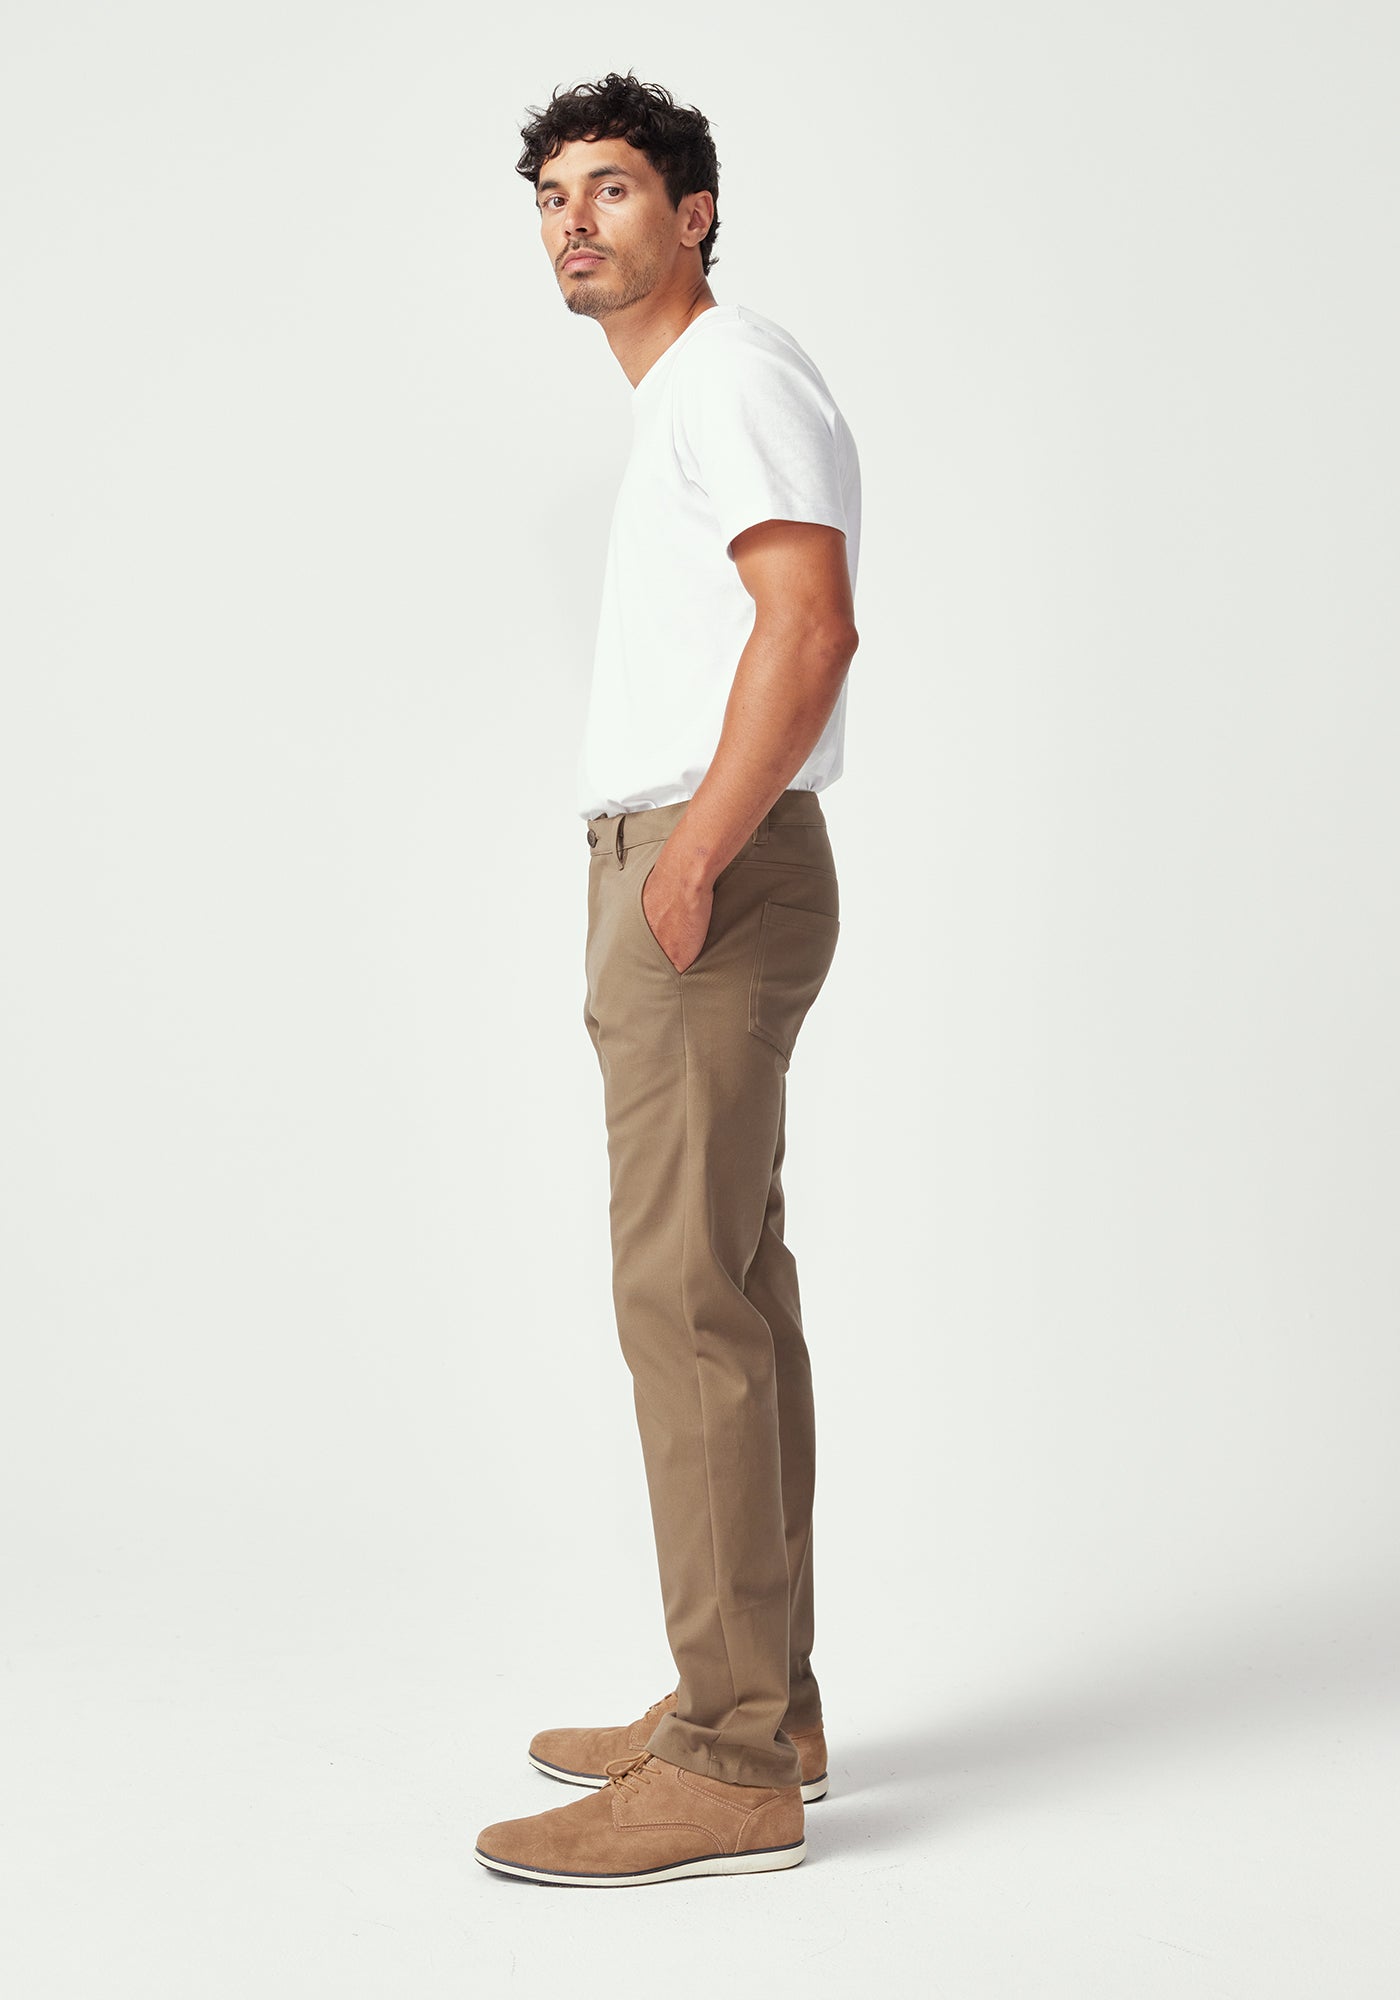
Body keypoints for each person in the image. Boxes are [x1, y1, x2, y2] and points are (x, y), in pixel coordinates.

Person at [474, 69, 861, 1889]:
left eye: (612, 187)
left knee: (684, 1301)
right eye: (553, 195)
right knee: (732, 1293)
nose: (575, 220)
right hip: (699, 860)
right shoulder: (691, 398)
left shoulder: (731, 374)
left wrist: (690, 859)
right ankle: (764, 1708)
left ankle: (725, 1763)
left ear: (694, 213)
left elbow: (812, 624)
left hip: (706, 866)